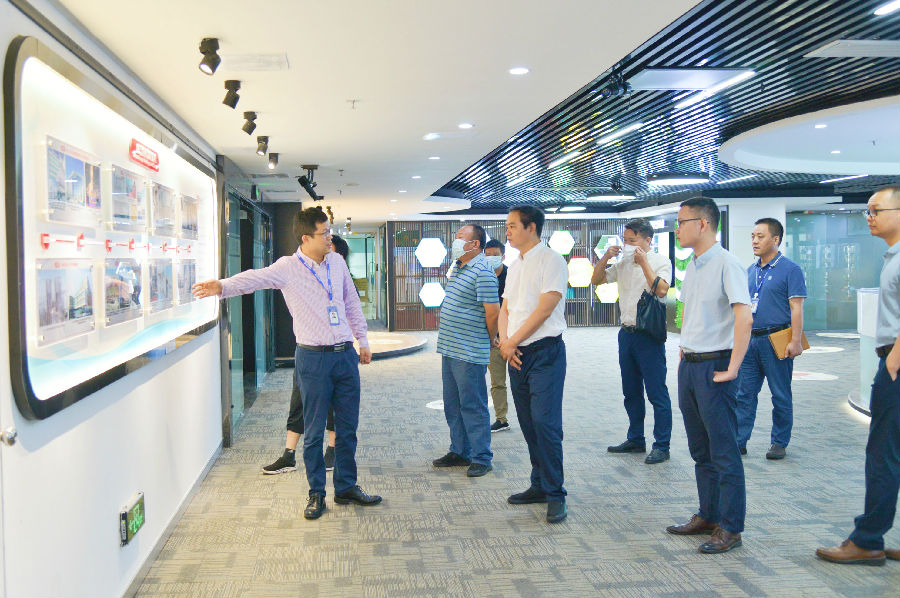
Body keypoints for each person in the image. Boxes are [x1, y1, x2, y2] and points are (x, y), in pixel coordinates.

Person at [193, 207, 381, 520]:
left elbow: (350, 302)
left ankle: (346, 486)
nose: (330, 237)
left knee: (347, 428)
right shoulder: (288, 267)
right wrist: (223, 286)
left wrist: (362, 340)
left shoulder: (336, 262)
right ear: (306, 238)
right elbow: (254, 279)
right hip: (313, 358)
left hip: (344, 355)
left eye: (329, 231)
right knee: (314, 431)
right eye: (324, 233)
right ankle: (316, 493)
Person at [817, 185, 900, 566]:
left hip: (896, 364)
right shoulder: (892, 256)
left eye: (876, 210)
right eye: (868, 210)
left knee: (882, 454)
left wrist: (895, 359)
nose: (869, 217)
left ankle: (867, 540)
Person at [665, 196, 751, 554]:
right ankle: (709, 514)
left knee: (724, 450)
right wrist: (685, 348)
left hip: (716, 365)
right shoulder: (693, 265)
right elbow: (690, 312)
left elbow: (744, 316)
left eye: (681, 222)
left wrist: (734, 366)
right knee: (700, 449)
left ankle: (730, 527)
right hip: (690, 365)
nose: (677, 229)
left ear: (702, 224)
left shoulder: (727, 263)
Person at [499, 205, 569, 523]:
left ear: (532, 228)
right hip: (516, 355)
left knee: (545, 423)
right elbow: (505, 309)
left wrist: (511, 341)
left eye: (513, 226)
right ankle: (538, 484)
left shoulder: (552, 260)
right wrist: (506, 342)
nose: (508, 231)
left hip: (545, 354)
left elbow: (544, 309)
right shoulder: (514, 265)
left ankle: (556, 493)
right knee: (528, 423)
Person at [262, 234, 350, 475]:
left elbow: (350, 310)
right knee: (298, 400)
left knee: (333, 404)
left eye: (330, 249)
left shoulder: (339, 277)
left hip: (335, 352)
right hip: (309, 352)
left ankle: (332, 449)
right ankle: (288, 454)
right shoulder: (300, 270)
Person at [592, 218, 672, 465]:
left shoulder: (660, 261)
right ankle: (636, 438)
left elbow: (661, 290)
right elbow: (596, 280)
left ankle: (662, 445)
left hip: (649, 335)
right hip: (626, 334)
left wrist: (644, 262)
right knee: (631, 391)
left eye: (632, 241)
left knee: (657, 392)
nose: (627, 245)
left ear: (648, 240)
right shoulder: (623, 262)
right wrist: (606, 258)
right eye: (625, 240)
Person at [735, 219, 807, 460]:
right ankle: (739, 440)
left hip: (778, 338)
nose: (754, 241)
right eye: (753, 236)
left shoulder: (790, 269)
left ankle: (779, 442)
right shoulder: (750, 271)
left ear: (776, 239)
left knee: (780, 394)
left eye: (761, 236)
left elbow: (796, 307)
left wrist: (796, 340)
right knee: (744, 394)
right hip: (751, 341)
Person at [432, 224, 499, 477]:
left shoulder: (483, 270)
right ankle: (460, 450)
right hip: (450, 347)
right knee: (453, 404)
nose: (455, 241)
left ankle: (482, 457)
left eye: (460, 237)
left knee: (473, 405)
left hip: (469, 350)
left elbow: (492, 312)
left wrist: (491, 338)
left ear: (475, 244)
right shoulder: (459, 266)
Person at [484, 239, 511, 433]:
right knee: (497, 382)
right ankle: (502, 419)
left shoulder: (512, 276)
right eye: (487, 255)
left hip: (515, 338)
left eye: (495, 255)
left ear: (503, 256)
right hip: (493, 338)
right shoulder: (482, 276)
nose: (491, 258)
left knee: (521, 382)